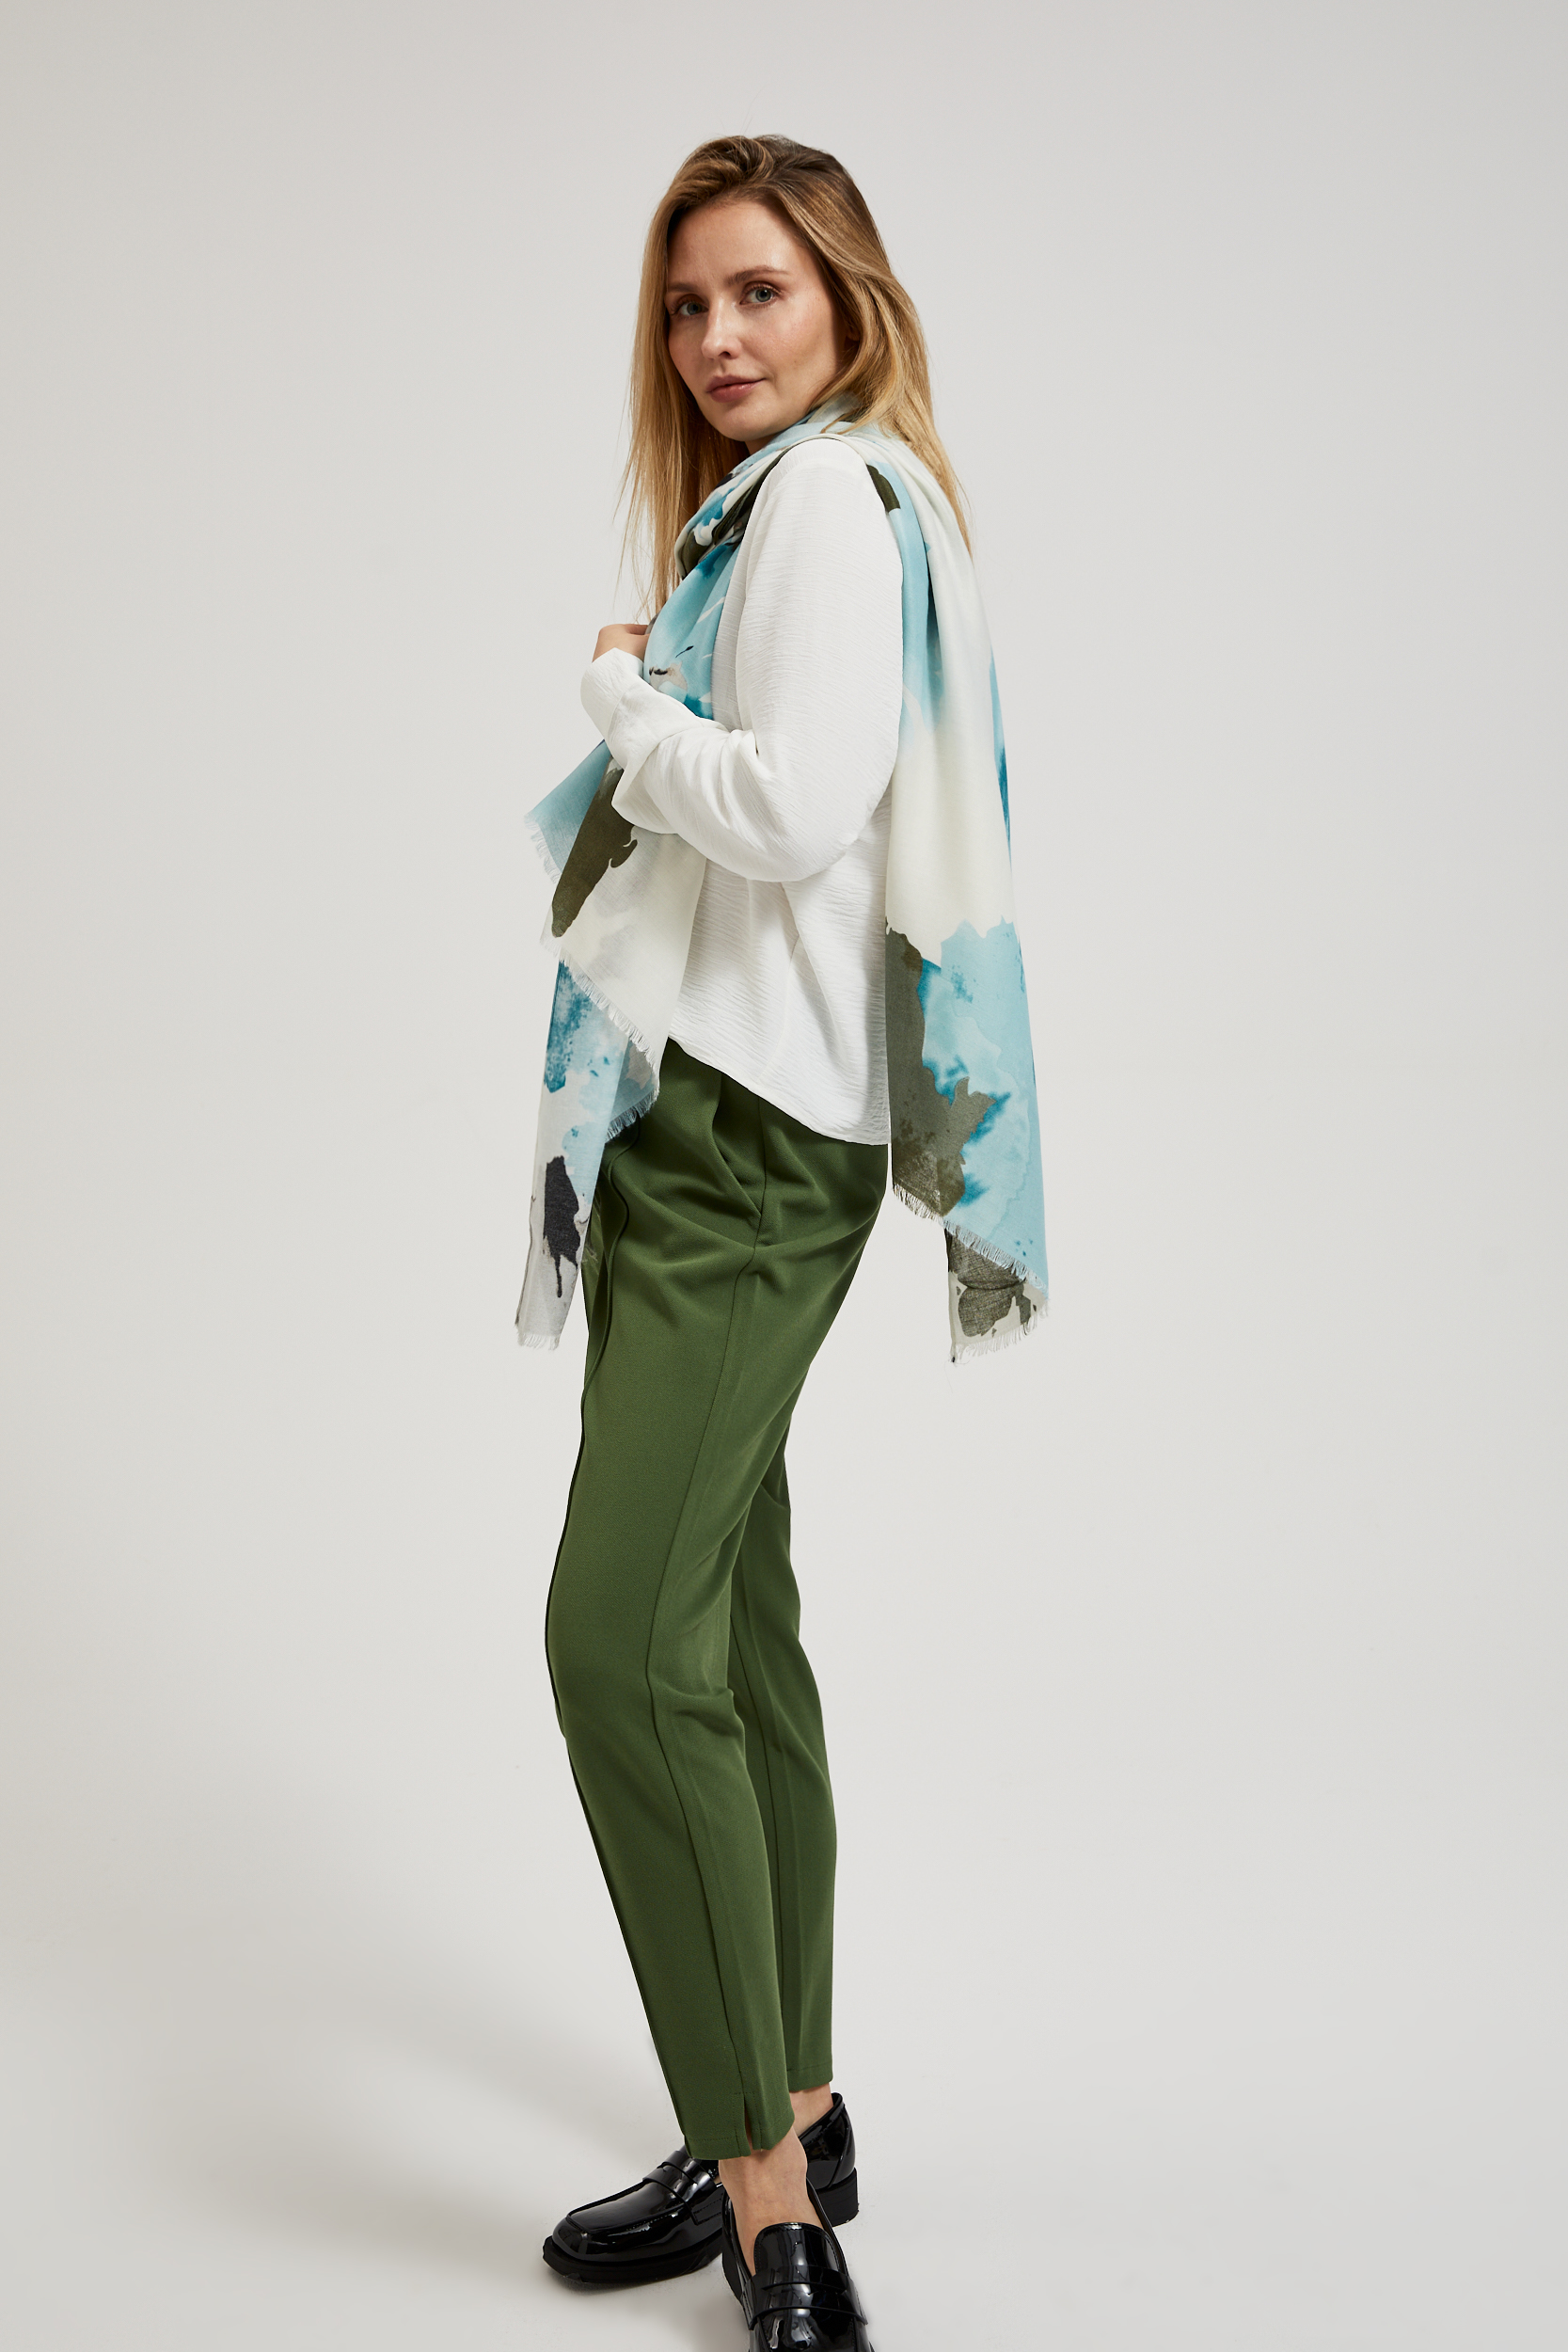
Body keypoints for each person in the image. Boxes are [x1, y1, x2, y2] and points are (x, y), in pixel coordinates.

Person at [517, 134, 1047, 2351]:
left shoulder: (822, 502)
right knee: (727, 1629)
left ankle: (760, 2198)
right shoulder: (799, 501)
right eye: (685, 304)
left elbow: (789, 802)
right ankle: (795, 2114)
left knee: (618, 1638)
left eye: (757, 290)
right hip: (713, 1124)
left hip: (746, 1146)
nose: (717, 337)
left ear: (845, 296)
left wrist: (622, 701)